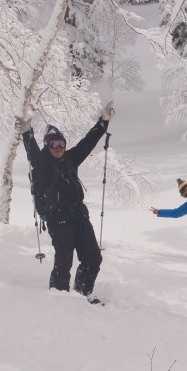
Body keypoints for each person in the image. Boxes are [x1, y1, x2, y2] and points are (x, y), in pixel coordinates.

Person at [18, 101, 115, 305]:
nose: (59, 148)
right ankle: (59, 298)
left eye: (61, 143)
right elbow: (33, 154)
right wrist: (27, 133)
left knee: (93, 258)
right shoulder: (43, 163)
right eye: (54, 144)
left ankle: (82, 293)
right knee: (64, 260)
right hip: (58, 218)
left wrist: (103, 122)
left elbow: (87, 143)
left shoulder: (70, 159)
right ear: (47, 144)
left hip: (79, 215)